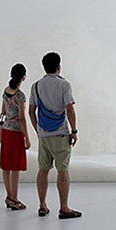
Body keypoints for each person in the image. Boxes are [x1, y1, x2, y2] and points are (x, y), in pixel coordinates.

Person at [28, 52, 81, 219]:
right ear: (59, 66)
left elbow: (31, 111)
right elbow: (70, 109)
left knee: (43, 169)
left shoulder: (36, 86)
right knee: (62, 169)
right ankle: (64, 208)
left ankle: (42, 206)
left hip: (43, 134)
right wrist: (74, 131)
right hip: (60, 134)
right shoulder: (64, 85)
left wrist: (38, 130)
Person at [0, 63, 31, 210]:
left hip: (5, 131)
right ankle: (15, 199)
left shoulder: (5, 91)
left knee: (6, 165)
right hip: (16, 133)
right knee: (15, 167)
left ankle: (9, 197)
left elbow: (3, 111)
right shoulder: (20, 96)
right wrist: (27, 137)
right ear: (23, 77)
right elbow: (22, 118)